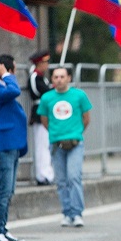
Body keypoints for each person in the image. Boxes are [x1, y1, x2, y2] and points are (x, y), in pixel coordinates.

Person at [37, 67, 92, 228]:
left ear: (69, 78)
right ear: (52, 79)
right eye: (56, 77)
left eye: (62, 76)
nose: (59, 79)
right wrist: (56, 133)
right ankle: (67, 213)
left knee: (73, 177)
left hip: (75, 143)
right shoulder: (47, 98)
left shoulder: (79, 95)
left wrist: (76, 132)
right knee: (61, 180)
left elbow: (86, 118)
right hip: (56, 144)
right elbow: (44, 119)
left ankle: (77, 213)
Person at [0, 54, 28, 241]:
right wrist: (6, 75)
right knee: (4, 190)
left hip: (11, 145)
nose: (15, 74)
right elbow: (14, 91)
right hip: (1, 145)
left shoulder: (2, 86)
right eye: (13, 70)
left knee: (9, 191)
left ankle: (2, 228)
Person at [27, 50, 54, 186]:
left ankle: (48, 173)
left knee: (47, 145)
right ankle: (42, 175)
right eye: (45, 62)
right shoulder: (34, 77)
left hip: (46, 112)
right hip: (39, 113)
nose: (47, 65)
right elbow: (38, 92)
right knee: (41, 145)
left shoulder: (42, 77)